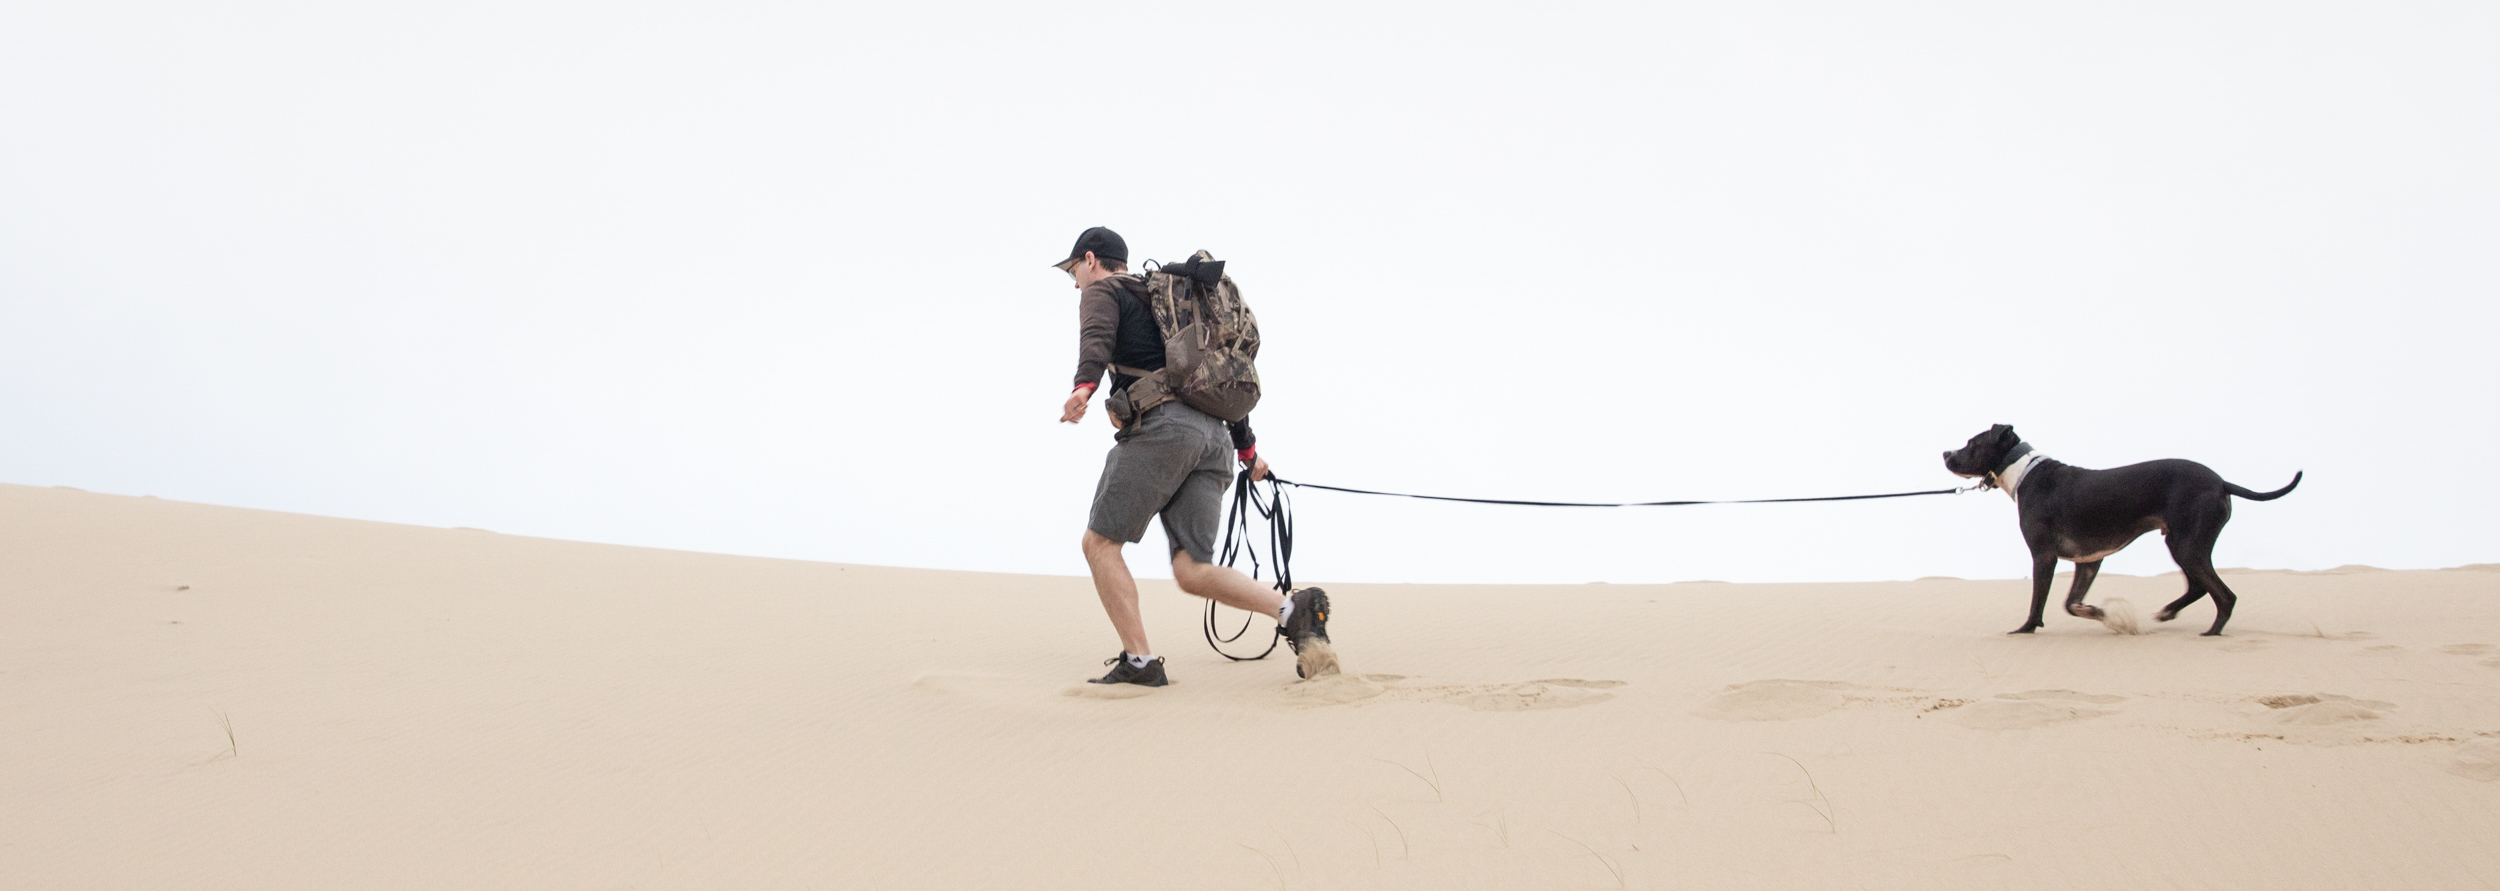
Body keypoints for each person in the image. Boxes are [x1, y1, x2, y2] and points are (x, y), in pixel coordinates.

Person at [1054, 226, 1329, 686]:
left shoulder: (1104, 290)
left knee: (1098, 545)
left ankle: (1139, 663)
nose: (1075, 282)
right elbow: (1214, 373)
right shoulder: (1174, 303)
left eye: (1074, 271)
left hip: (1162, 431)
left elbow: (1096, 339)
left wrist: (1084, 387)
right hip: (1214, 439)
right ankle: (1290, 610)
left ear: (1091, 259)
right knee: (1192, 569)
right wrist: (1249, 452)